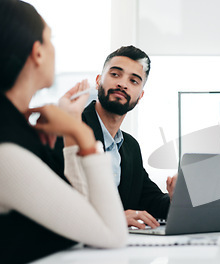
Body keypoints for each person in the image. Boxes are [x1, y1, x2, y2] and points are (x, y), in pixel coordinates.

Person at [0, 0, 127, 262]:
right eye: (51, 39)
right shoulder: (7, 149)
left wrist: (71, 123)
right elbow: (112, 235)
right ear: (37, 52)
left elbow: (81, 218)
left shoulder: (15, 128)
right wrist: (83, 135)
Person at [60, 45, 177, 229]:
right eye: (115, 74)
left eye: (134, 81)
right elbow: (58, 201)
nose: (123, 84)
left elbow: (151, 202)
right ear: (98, 81)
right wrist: (112, 218)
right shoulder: (70, 130)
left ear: (140, 96)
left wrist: (175, 197)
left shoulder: (130, 146)